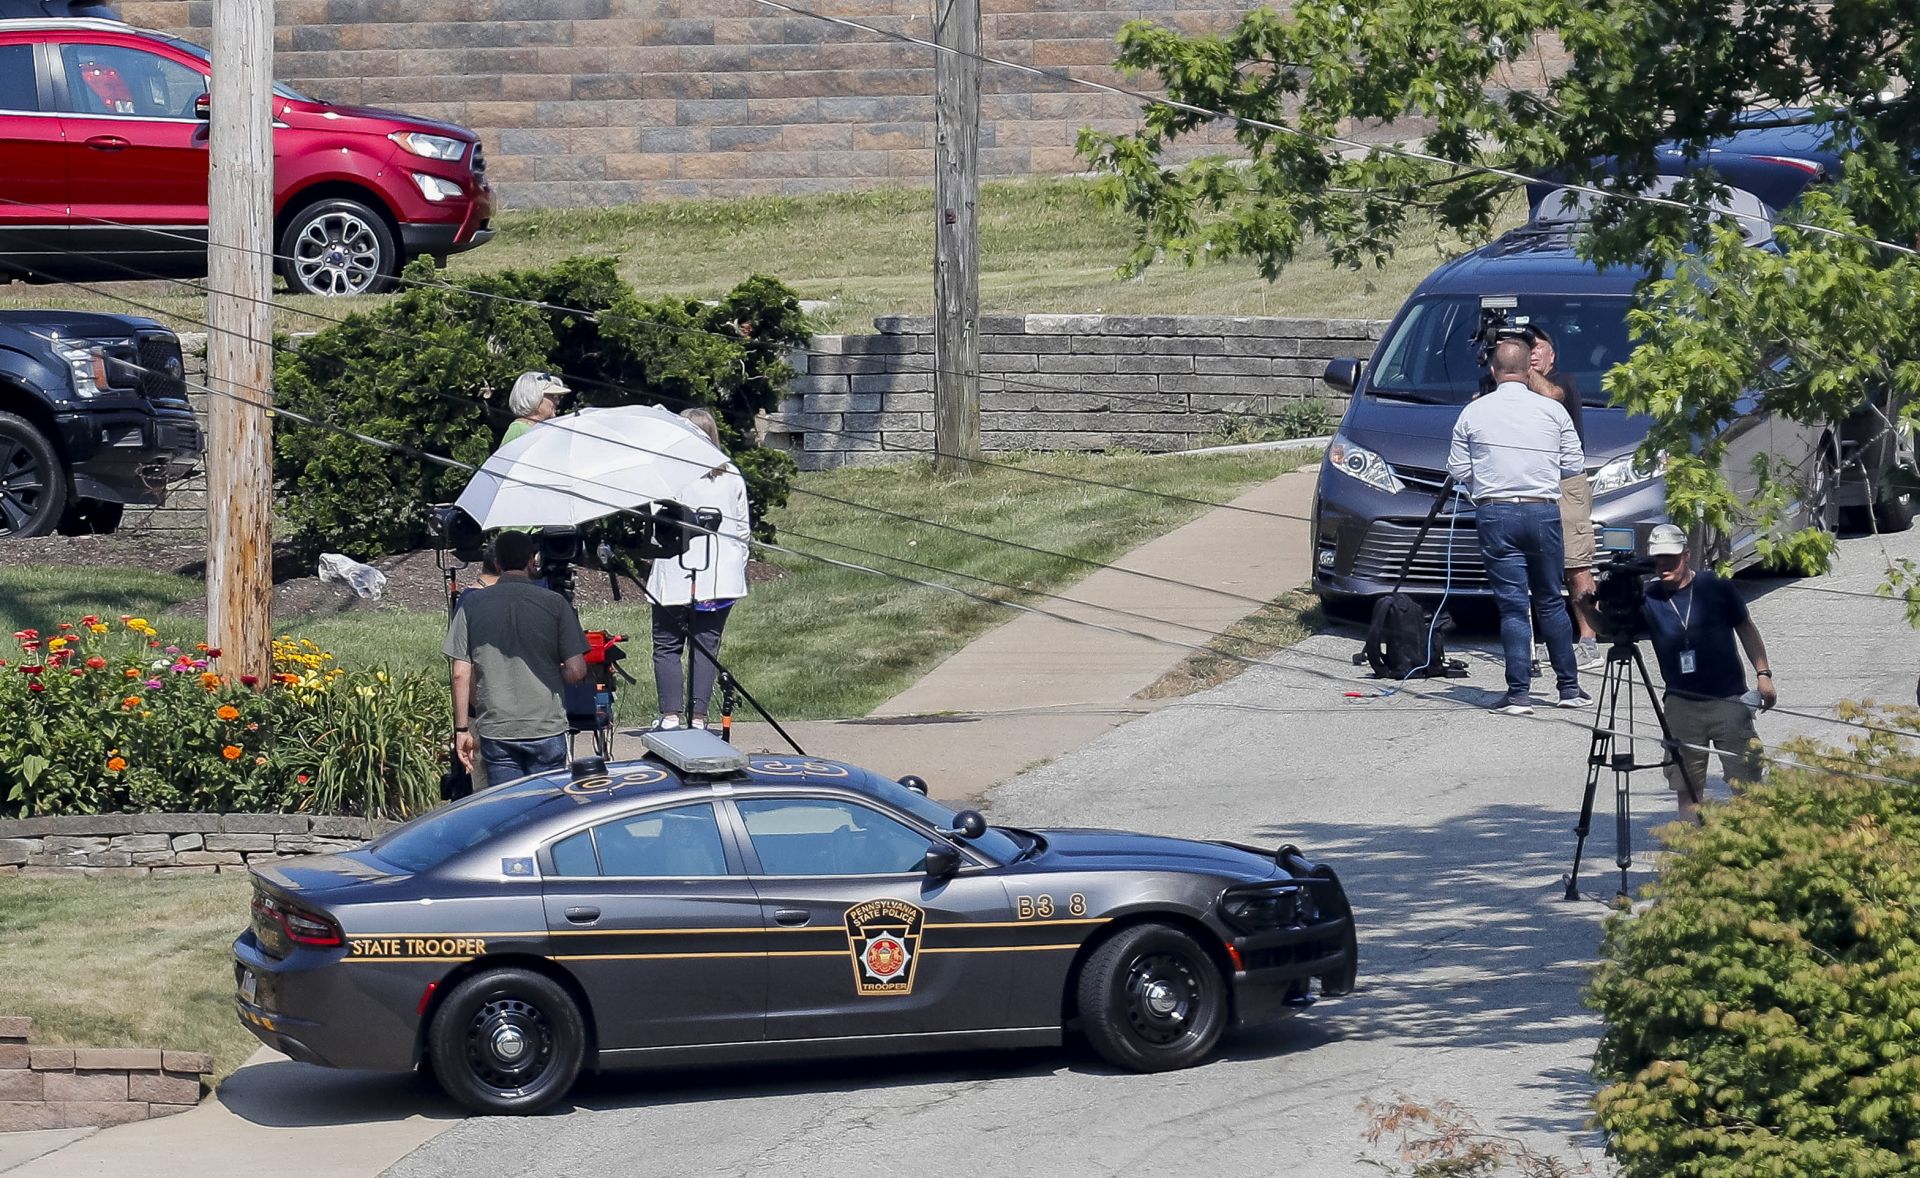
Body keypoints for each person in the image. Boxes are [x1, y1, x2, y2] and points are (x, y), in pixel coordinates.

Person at [1447, 337, 1587, 715]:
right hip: (1542, 509)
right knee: (1550, 601)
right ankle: (1569, 688)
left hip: (1496, 511)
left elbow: (1458, 469)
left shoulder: (1473, 413)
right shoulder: (1552, 411)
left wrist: (1488, 485)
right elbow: (1574, 464)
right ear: (1530, 370)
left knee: (1512, 607)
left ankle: (1519, 693)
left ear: (1492, 371)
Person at [1639, 523, 1776, 822]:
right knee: (1687, 784)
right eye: (1658, 559)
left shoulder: (1715, 586)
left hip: (1727, 698)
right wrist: (1585, 607)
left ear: (1686, 556)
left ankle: (1752, 847)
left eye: (1670, 558)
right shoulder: (1649, 598)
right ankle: (1692, 851)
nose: (1664, 565)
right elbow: (1611, 630)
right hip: (1681, 703)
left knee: (1745, 780)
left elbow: (1745, 627)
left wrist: (1763, 673)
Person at [444, 531, 589, 784]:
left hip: (497, 727)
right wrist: (553, 674)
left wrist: (461, 730)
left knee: (509, 812)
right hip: (546, 724)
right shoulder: (555, 603)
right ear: (532, 561)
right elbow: (577, 670)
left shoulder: (471, 605)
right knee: (548, 812)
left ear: (497, 563)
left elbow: (459, 674)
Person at [648, 408, 751, 731]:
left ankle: (670, 715)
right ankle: (698, 717)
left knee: (667, 644)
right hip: (719, 577)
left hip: (675, 571)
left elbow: (654, 524)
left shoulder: (667, 475)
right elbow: (743, 529)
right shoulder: (731, 474)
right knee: (706, 646)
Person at [1526, 326, 1602, 666]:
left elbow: (1553, 395)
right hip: (1528, 483)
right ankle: (1546, 639)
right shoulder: (1508, 387)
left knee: (1576, 563)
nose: (1532, 352)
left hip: (1564, 484)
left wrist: (1523, 371)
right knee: (1536, 565)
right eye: (1524, 347)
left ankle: (1588, 636)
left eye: (1538, 346)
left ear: (1552, 354)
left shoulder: (1564, 382)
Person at [502, 371, 570, 446]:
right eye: (551, 396)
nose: (557, 402)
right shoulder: (518, 430)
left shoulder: (541, 429)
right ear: (533, 397)